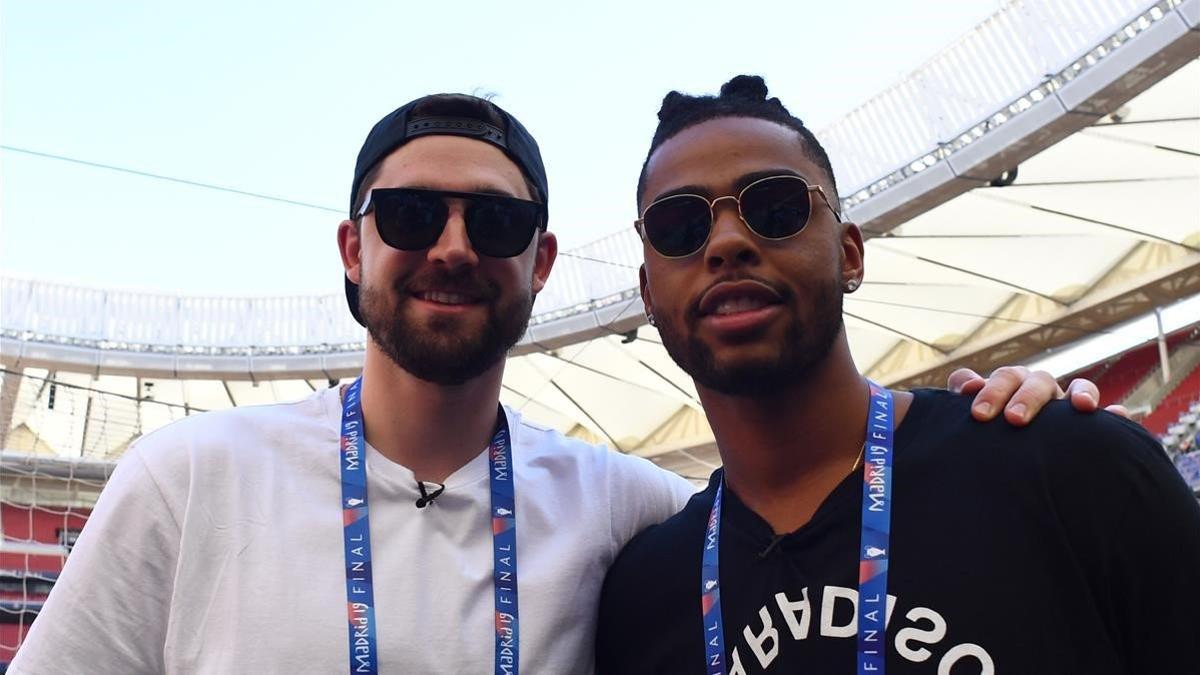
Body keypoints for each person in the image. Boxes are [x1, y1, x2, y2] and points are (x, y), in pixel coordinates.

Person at [11, 92, 1107, 675]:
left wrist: (1002, 418)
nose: (450, 245)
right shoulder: (187, 481)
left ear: (539, 264)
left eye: (494, 221)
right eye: (409, 215)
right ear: (354, 249)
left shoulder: (635, 514)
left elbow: (825, 516)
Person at [596, 75, 1200, 675]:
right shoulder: (643, 598)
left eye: (774, 207)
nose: (726, 242)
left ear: (850, 253)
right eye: (679, 227)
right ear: (649, 293)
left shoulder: (1072, 466)